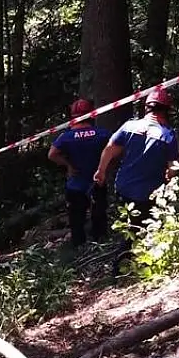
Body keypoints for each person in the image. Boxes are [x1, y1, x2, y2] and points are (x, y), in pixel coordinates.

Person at [92, 87, 179, 234]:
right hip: (150, 194)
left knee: (128, 230)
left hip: (124, 188)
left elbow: (109, 149)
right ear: (166, 111)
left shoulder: (129, 126)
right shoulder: (168, 135)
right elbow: (173, 167)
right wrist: (171, 181)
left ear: (146, 108)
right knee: (146, 233)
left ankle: (125, 245)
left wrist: (101, 171)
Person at [48, 98, 112, 247]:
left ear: (73, 117)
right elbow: (115, 151)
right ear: (91, 115)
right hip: (97, 181)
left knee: (76, 220)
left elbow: (52, 154)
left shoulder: (66, 137)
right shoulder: (102, 134)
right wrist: (106, 168)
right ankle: (99, 244)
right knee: (99, 215)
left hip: (75, 184)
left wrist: (68, 166)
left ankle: (77, 247)